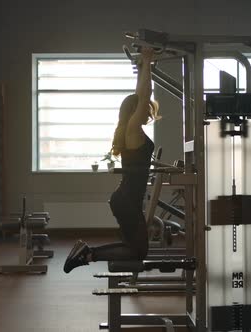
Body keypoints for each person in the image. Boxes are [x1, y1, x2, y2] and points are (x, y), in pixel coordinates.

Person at [64, 47, 160, 273]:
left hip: (127, 199)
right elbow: (144, 95)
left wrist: (142, 67)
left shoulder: (131, 131)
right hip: (126, 200)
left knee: (135, 248)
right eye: (144, 109)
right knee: (138, 252)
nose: (148, 111)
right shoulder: (132, 131)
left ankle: (86, 252)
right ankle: (88, 254)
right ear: (136, 111)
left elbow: (139, 95)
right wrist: (147, 59)